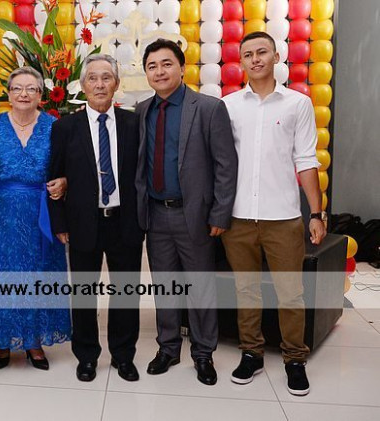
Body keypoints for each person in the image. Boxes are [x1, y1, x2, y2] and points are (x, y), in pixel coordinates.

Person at [221, 31, 326, 396]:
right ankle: (251, 353)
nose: (255, 59)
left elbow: (306, 160)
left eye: (262, 52)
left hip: (283, 217)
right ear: (241, 61)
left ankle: (295, 359)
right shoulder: (229, 105)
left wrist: (317, 213)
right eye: (248, 54)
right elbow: (221, 163)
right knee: (246, 290)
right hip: (238, 217)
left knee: (290, 294)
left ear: (276, 56)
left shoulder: (298, 104)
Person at [135, 39, 238, 385]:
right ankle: (168, 347)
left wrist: (220, 213)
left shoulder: (208, 108)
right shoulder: (142, 110)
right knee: (164, 286)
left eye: (167, 64)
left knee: (200, 287)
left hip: (194, 214)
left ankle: (203, 352)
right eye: (152, 66)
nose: (159, 71)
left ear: (182, 67)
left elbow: (226, 165)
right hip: (155, 215)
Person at [49, 54, 144, 382]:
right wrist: (60, 223)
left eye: (106, 77)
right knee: (84, 293)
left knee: (126, 292)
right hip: (82, 223)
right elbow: (54, 177)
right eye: (93, 78)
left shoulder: (133, 123)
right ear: (82, 85)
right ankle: (87, 355)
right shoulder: (65, 127)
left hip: (125, 221)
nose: (100, 84)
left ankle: (123, 355)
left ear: (116, 84)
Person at [0, 67, 71, 370]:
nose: (24, 94)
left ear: (41, 95)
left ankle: (33, 341)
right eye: (17, 88)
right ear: (8, 93)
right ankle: (3, 339)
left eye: (31, 88)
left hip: (40, 211)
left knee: (37, 272)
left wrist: (65, 182)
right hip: (0, 213)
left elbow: (70, 164)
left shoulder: (54, 126)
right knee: (3, 272)